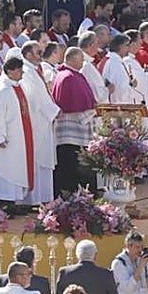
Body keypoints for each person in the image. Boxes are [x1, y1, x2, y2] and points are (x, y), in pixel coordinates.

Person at [0, 57, 59, 208]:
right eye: (18, 70)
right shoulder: (4, 90)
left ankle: (15, 202)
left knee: (18, 169)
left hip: (20, 137)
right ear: (9, 72)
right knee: (8, 170)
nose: (22, 72)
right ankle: (5, 203)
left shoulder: (17, 87)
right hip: (8, 139)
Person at [50, 48, 97, 195]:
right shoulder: (68, 77)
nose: (83, 62)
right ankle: (77, 192)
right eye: (81, 59)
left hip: (74, 130)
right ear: (74, 59)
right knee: (73, 163)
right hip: (72, 129)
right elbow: (73, 105)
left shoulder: (71, 74)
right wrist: (92, 112)